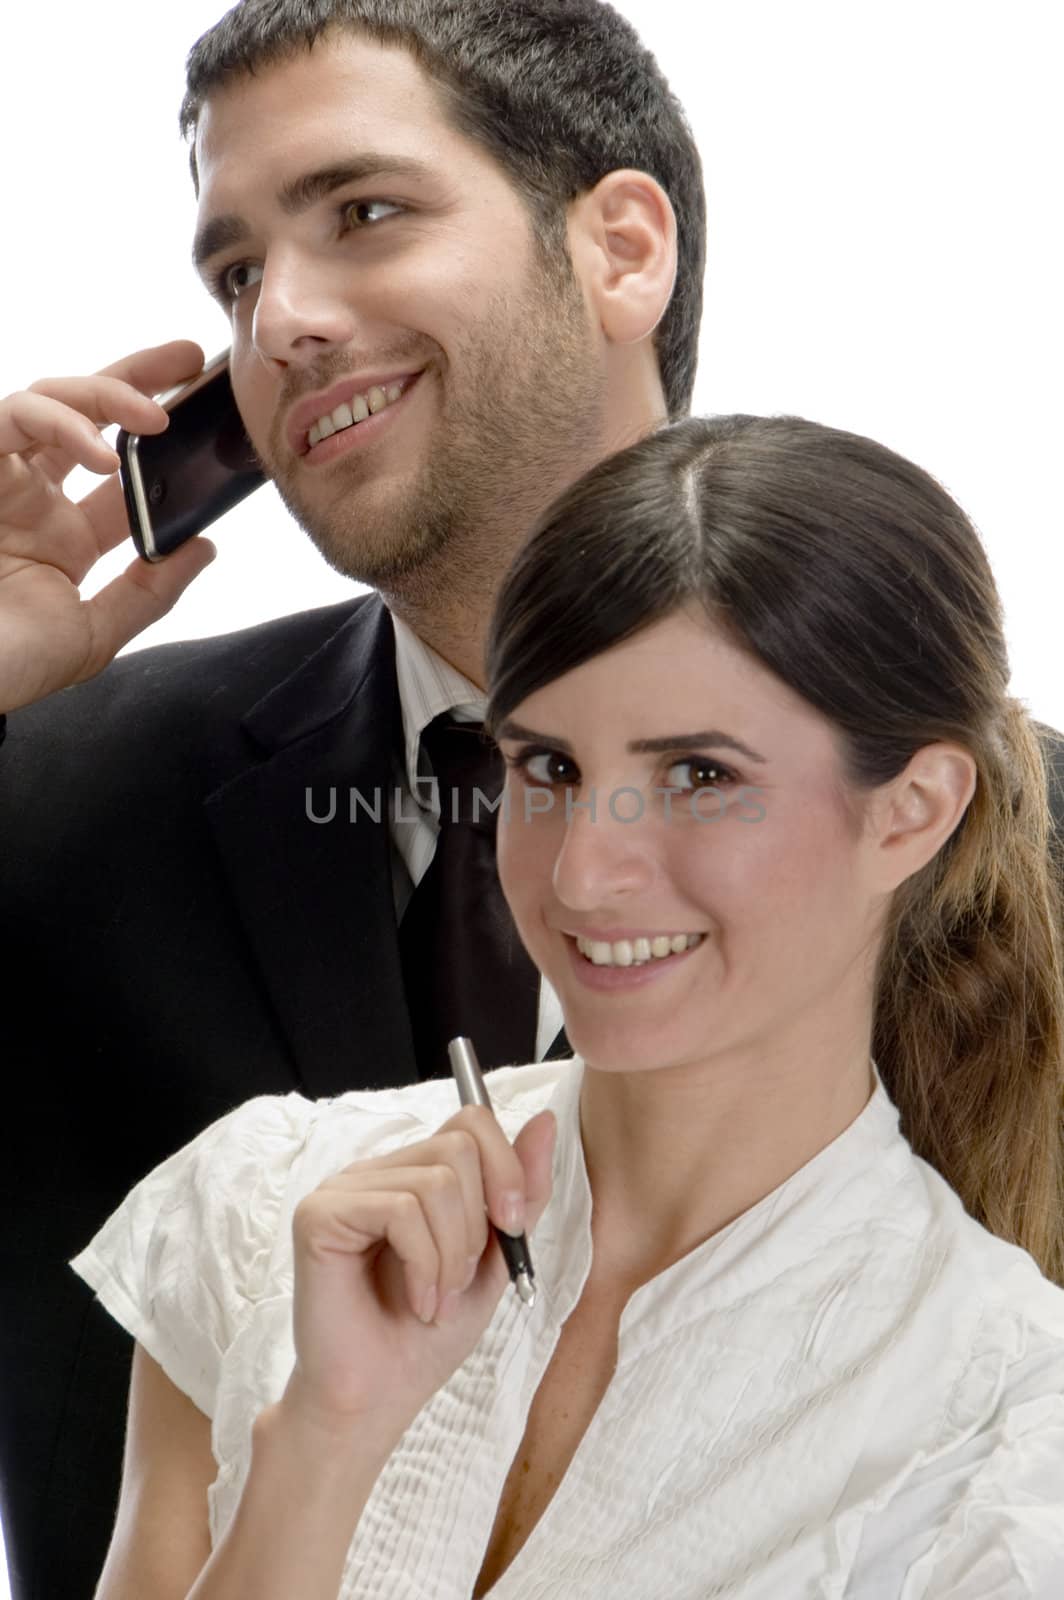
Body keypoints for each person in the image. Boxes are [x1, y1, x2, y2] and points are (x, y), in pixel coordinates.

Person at [71, 412, 1064, 1598]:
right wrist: (322, 1444)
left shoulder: (996, 1431)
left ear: (908, 811)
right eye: (546, 768)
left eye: (698, 776)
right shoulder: (271, 1207)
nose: (583, 872)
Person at [0, 3, 710, 1596]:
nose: (281, 324)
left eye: (364, 215)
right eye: (237, 275)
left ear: (619, 251)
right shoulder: (47, 796)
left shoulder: (991, 832)